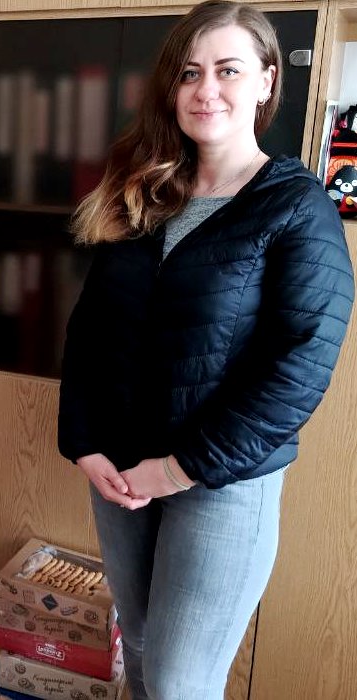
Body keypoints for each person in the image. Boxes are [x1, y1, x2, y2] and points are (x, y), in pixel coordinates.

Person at [58, 2, 354, 698]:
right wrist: (84, 443)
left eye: (228, 70)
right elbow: (91, 329)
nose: (205, 89)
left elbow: (298, 366)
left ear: (266, 81)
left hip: (220, 482)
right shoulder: (143, 189)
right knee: (137, 650)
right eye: (189, 73)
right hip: (121, 471)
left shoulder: (295, 205)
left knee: (177, 683)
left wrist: (180, 469)